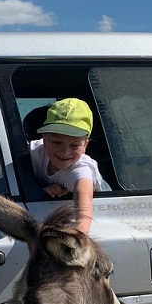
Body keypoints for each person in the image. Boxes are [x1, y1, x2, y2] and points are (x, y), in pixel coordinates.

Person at [29, 97, 103, 234]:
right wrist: (40, 191)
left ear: (85, 145)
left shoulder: (81, 169)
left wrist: (78, 236)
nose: (65, 151)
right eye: (57, 142)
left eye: (74, 145)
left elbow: (83, 201)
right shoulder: (33, 152)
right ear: (44, 140)